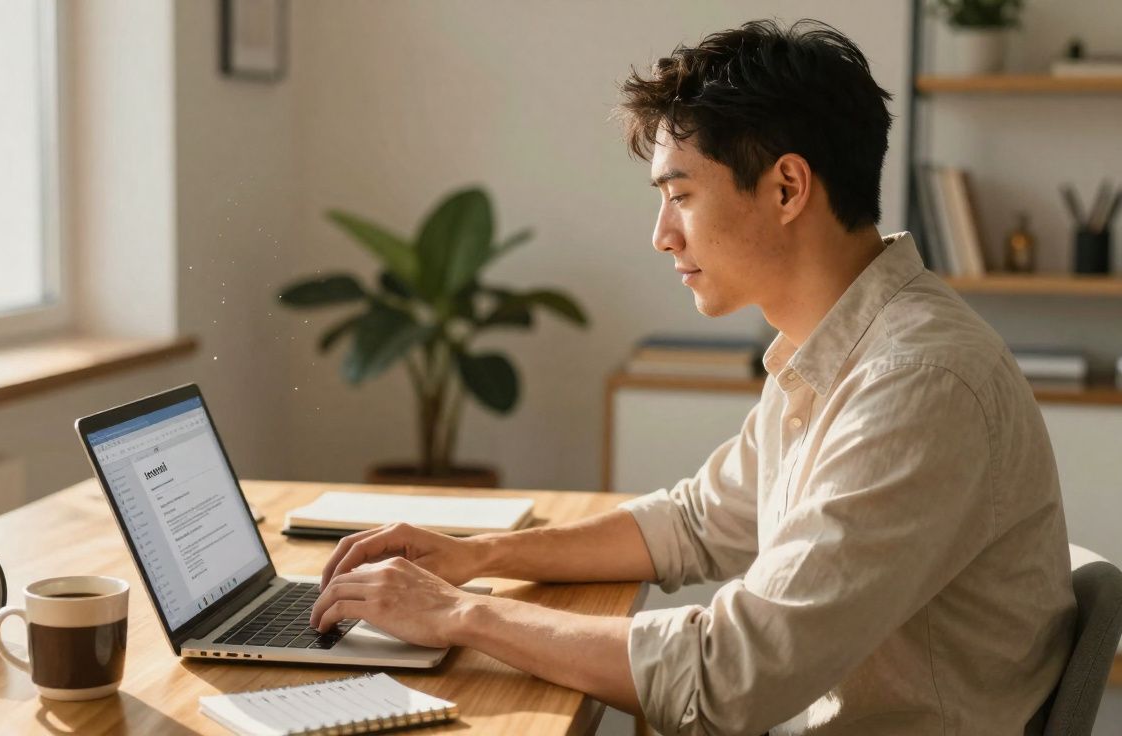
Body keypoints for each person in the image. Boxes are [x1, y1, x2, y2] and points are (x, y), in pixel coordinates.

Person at [310, 18, 1075, 735]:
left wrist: (460, 615)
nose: (660, 234)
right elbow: (698, 522)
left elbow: (730, 677)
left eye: (680, 195)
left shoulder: (915, 382)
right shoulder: (836, 344)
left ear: (786, 188)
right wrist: (479, 555)